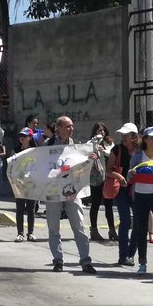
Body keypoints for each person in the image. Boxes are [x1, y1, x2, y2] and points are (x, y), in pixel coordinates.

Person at [43, 116, 96, 274]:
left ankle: (85, 261)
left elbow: (82, 165)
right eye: (68, 126)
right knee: (53, 226)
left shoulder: (77, 146)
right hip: (53, 190)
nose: (71, 129)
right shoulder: (47, 145)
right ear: (58, 128)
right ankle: (58, 260)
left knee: (79, 225)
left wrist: (90, 159)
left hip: (73, 190)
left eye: (72, 126)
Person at [129, 127, 153, 275]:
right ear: (145, 139)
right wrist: (131, 174)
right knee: (141, 230)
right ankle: (142, 263)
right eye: (152, 137)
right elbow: (129, 177)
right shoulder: (138, 156)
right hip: (141, 196)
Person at [107, 124, 139, 266]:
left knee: (139, 222)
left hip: (138, 189)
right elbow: (108, 170)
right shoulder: (117, 149)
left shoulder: (141, 151)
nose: (123, 137)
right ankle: (123, 256)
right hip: (121, 189)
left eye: (127, 135)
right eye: (122, 135)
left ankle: (131, 255)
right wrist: (119, 177)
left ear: (134, 137)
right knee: (125, 221)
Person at [87, 122, 117, 242]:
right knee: (95, 203)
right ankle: (94, 230)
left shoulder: (109, 144)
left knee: (108, 205)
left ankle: (112, 230)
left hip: (108, 177)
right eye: (99, 130)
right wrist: (94, 148)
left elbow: (112, 155)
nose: (102, 133)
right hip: (96, 178)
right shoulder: (90, 143)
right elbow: (86, 156)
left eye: (103, 130)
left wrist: (103, 150)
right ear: (94, 132)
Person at [14, 128, 38, 242]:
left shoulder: (35, 151)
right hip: (19, 183)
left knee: (31, 209)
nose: (22, 138)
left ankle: (31, 233)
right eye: (20, 136)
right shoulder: (15, 150)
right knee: (19, 208)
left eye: (24, 136)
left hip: (31, 183)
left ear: (30, 138)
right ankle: (20, 233)